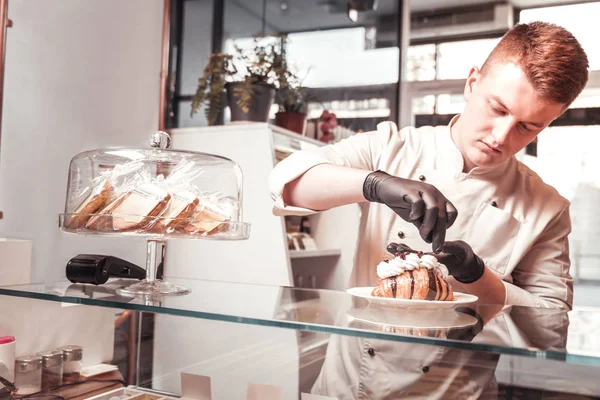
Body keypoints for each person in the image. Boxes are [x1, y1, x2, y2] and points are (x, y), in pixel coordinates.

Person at [269, 21, 589, 310]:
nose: (501, 136)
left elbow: (552, 318)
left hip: (459, 373)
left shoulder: (548, 208)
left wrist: (476, 274)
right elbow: (287, 184)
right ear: (472, 83)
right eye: (497, 109)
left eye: (528, 127)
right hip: (355, 369)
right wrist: (375, 185)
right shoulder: (391, 145)